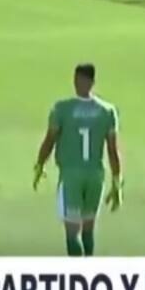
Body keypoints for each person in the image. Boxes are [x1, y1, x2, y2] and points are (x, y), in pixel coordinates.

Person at [32, 63, 123, 257]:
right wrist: (117, 181)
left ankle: (77, 272)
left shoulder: (62, 109)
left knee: (72, 233)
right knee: (88, 230)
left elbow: (50, 139)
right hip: (95, 176)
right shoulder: (107, 111)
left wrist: (40, 164)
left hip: (71, 176)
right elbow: (112, 150)